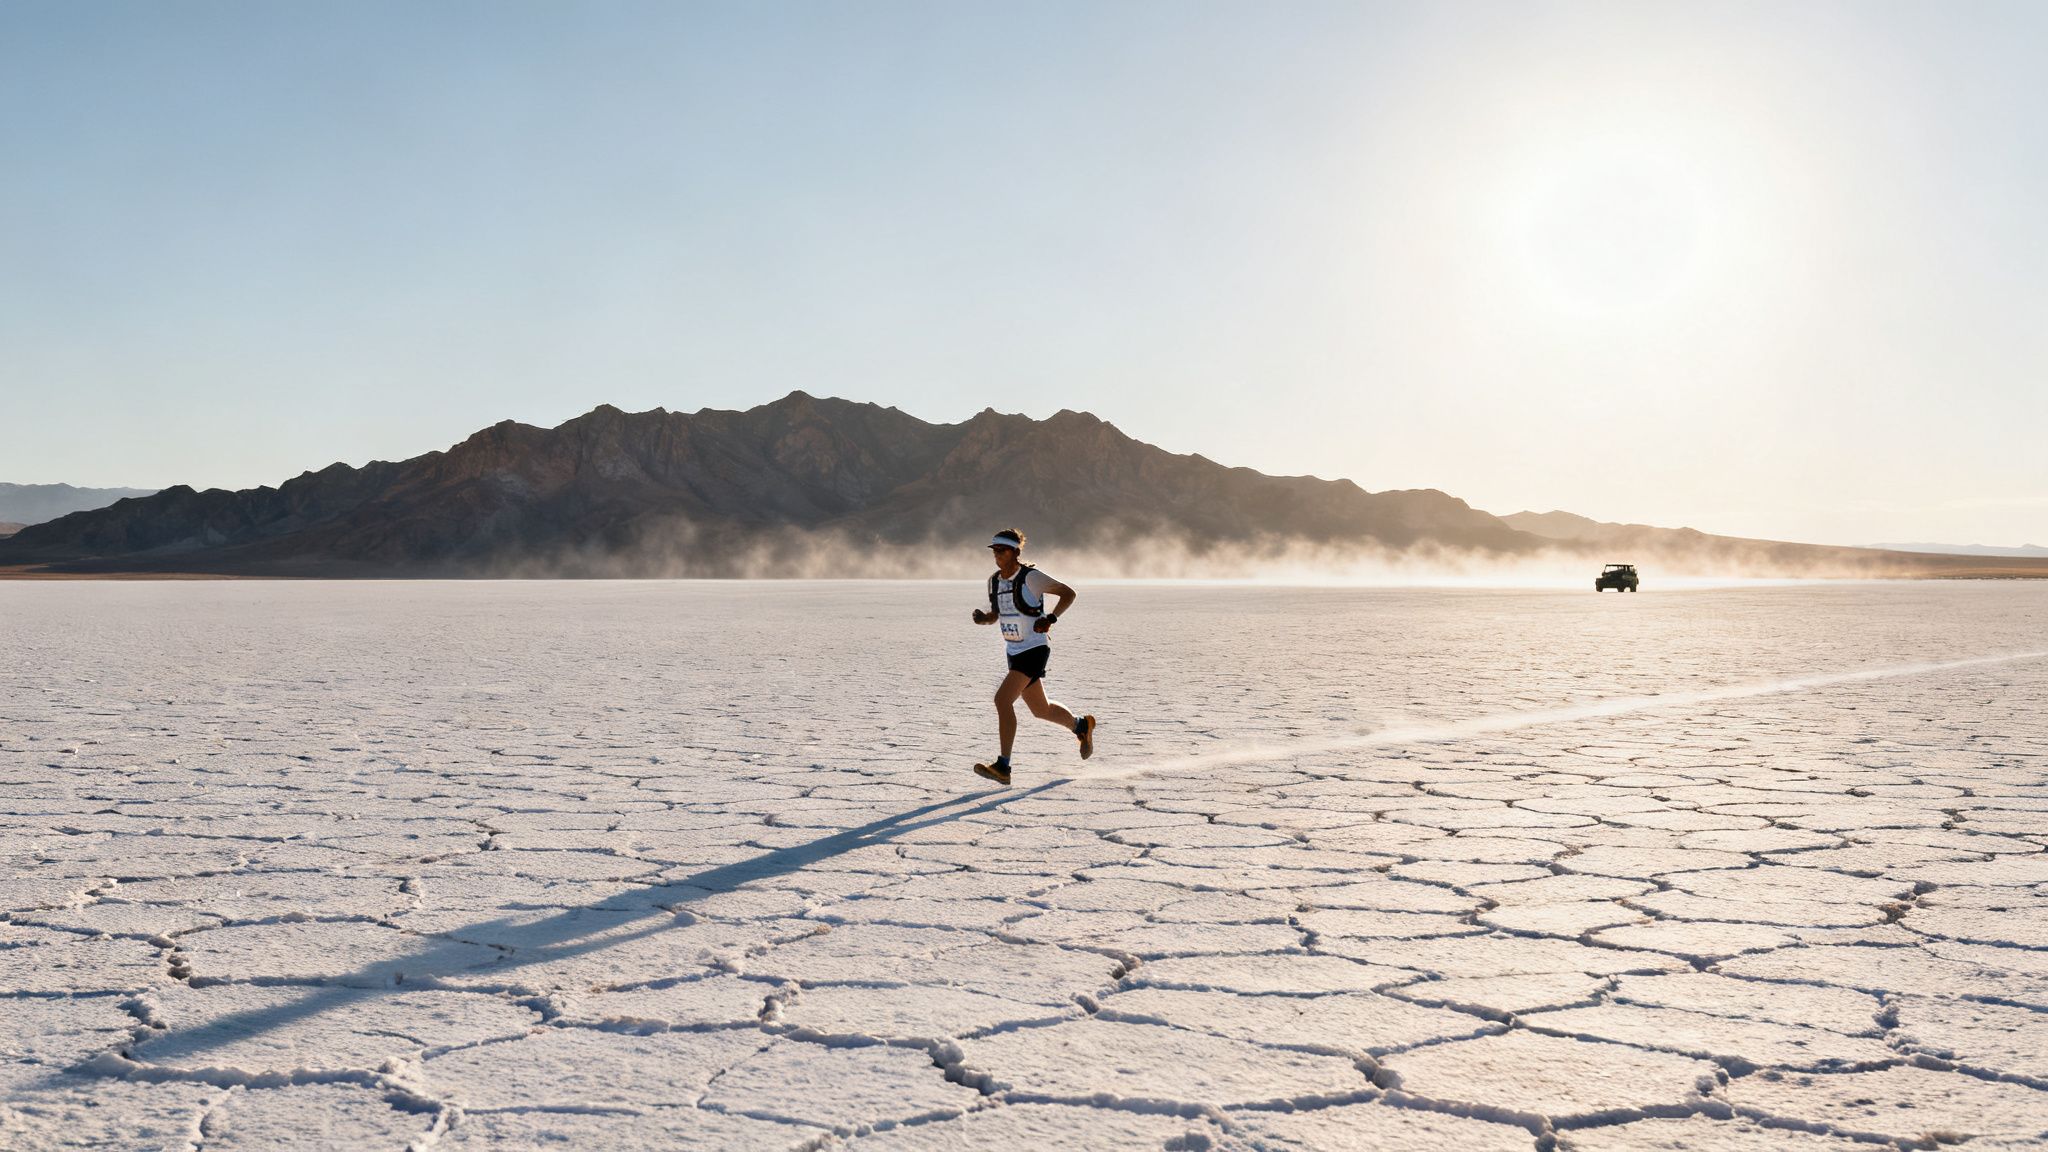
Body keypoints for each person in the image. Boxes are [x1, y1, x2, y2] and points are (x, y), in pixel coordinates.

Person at [969, 528, 1095, 785]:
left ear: (1015, 552)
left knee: (1002, 700)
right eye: (994, 551)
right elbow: (998, 614)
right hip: (1014, 651)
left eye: (1002, 551)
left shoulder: (1031, 577)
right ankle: (1081, 726)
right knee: (1041, 709)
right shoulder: (994, 581)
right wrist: (985, 619)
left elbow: (1068, 593)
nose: (997, 556)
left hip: (1035, 650)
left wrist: (1051, 618)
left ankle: (1004, 766)